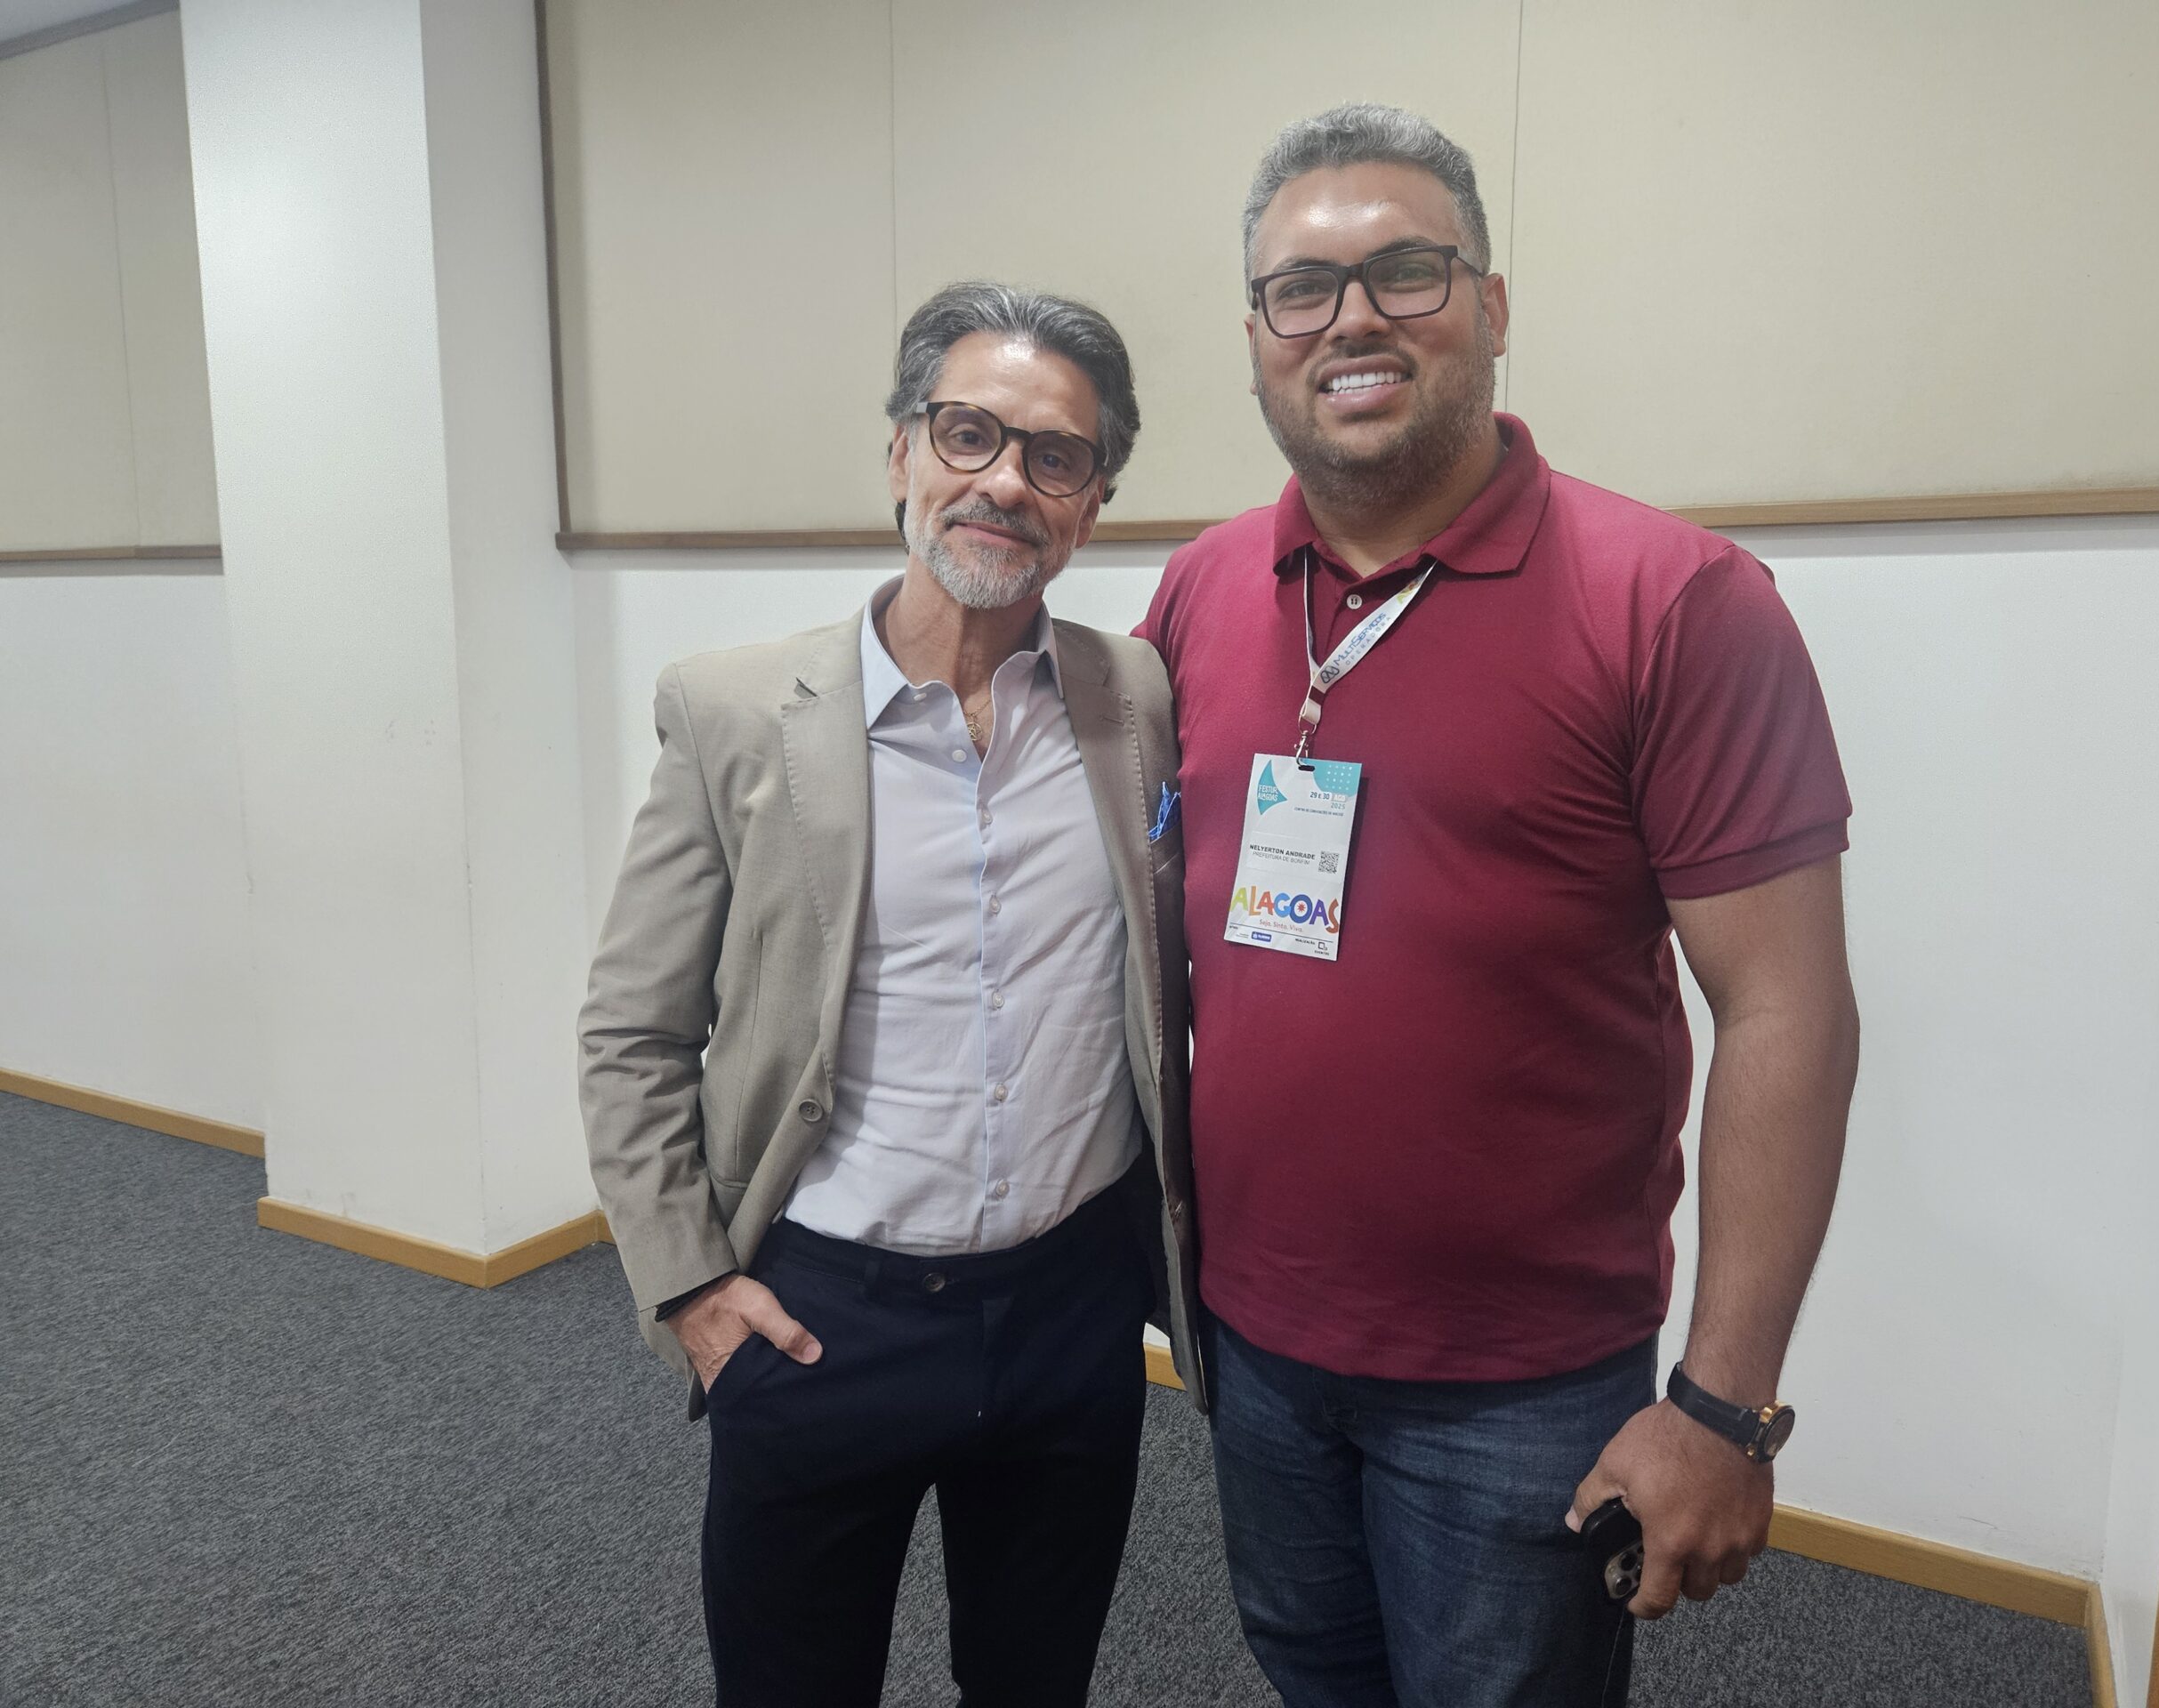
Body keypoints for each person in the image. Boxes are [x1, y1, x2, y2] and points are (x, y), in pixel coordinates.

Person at [1136, 103, 1860, 1705]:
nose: (1353, 320)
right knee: (1312, 1675)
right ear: (1256, 340)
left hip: (1523, 1386)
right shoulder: (1198, 590)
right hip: (1251, 1341)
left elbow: (1786, 1006)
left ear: (1492, 305)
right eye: (1301, 290)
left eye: (1407, 271)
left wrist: (1726, 1406)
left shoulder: (1676, 601)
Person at [577, 281, 1198, 1708]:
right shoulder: (736, 713)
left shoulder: (1136, 700)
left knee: (1036, 1684)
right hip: (819, 1319)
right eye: (969, 433)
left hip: (1071, 1318)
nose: (1005, 483)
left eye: (1055, 456)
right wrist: (690, 1286)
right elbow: (633, 1030)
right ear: (903, 451)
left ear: (1094, 503)